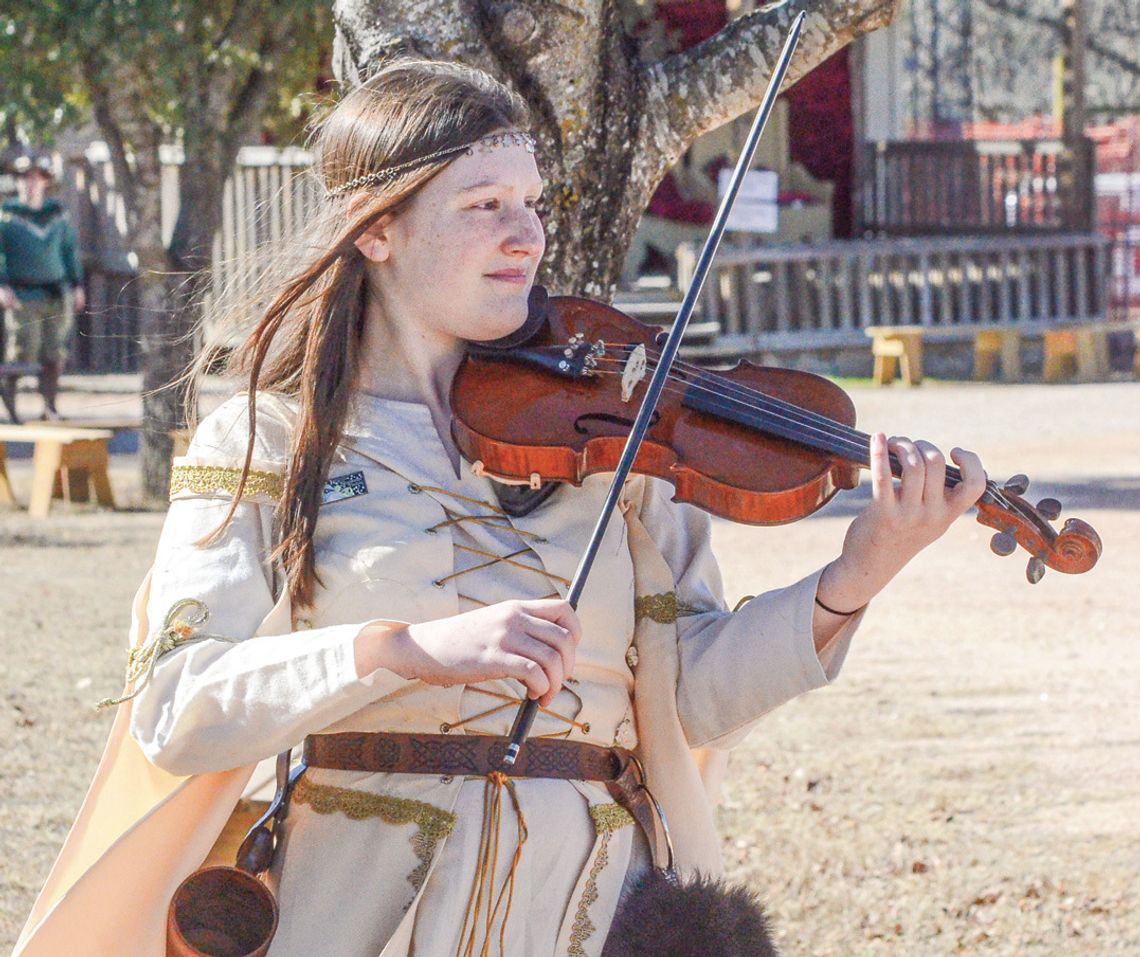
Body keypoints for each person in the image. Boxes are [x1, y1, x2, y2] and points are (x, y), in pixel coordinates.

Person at [13, 59, 986, 957]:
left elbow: (687, 700)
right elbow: (179, 707)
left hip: (590, 906)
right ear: (375, 227)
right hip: (358, 908)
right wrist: (394, 649)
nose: (527, 235)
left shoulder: (621, 447)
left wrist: (856, 578)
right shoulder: (268, 440)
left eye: (532, 202)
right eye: (484, 205)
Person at [0, 154, 85, 419]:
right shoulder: (8, 216)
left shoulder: (56, 214)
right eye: (26, 179)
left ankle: (49, 406)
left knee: (55, 352)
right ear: (18, 182)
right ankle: (11, 409)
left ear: (46, 182)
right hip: (22, 293)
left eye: (36, 179)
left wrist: (77, 284)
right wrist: (2, 286)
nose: (31, 184)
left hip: (56, 293)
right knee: (22, 350)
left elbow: (69, 250)